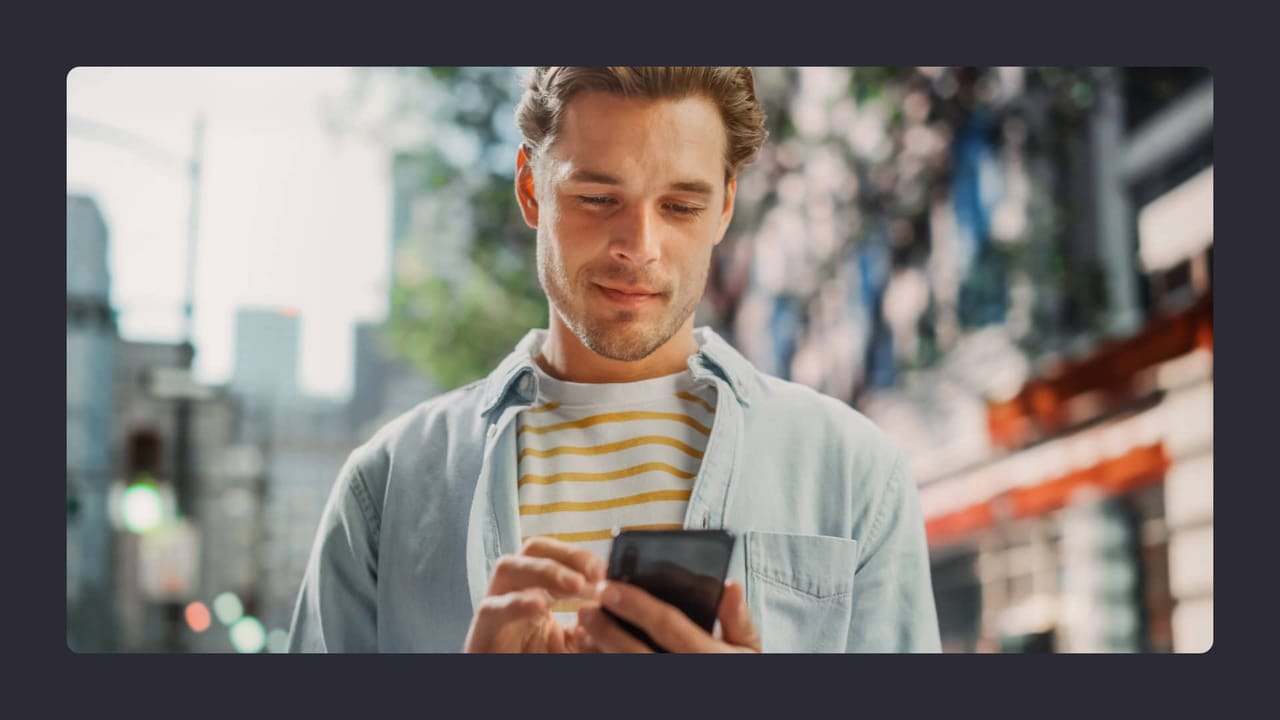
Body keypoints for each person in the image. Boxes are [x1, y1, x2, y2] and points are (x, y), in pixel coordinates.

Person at [288, 66, 941, 653]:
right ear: (530, 188)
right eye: (598, 199)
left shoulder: (856, 473)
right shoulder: (388, 487)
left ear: (726, 205)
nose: (640, 246)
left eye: (681, 206)